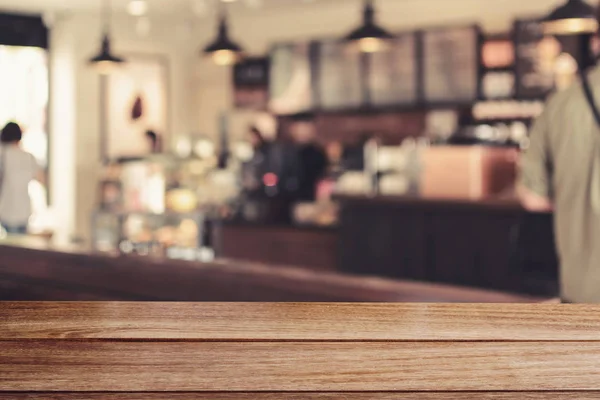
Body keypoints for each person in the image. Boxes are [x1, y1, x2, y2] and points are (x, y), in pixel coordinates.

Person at [517, 34, 600, 303]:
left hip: (582, 295)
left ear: (596, 42)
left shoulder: (560, 104)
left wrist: (573, 195)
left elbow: (533, 197)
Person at [0, 122, 41, 235]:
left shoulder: (3, 154)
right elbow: (40, 178)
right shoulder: (28, 157)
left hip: (5, 210)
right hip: (24, 211)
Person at [289, 114, 327, 202]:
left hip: (310, 201)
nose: (303, 132)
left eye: (306, 128)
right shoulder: (286, 151)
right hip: (287, 203)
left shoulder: (317, 153)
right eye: (299, 128)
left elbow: (322, 179)